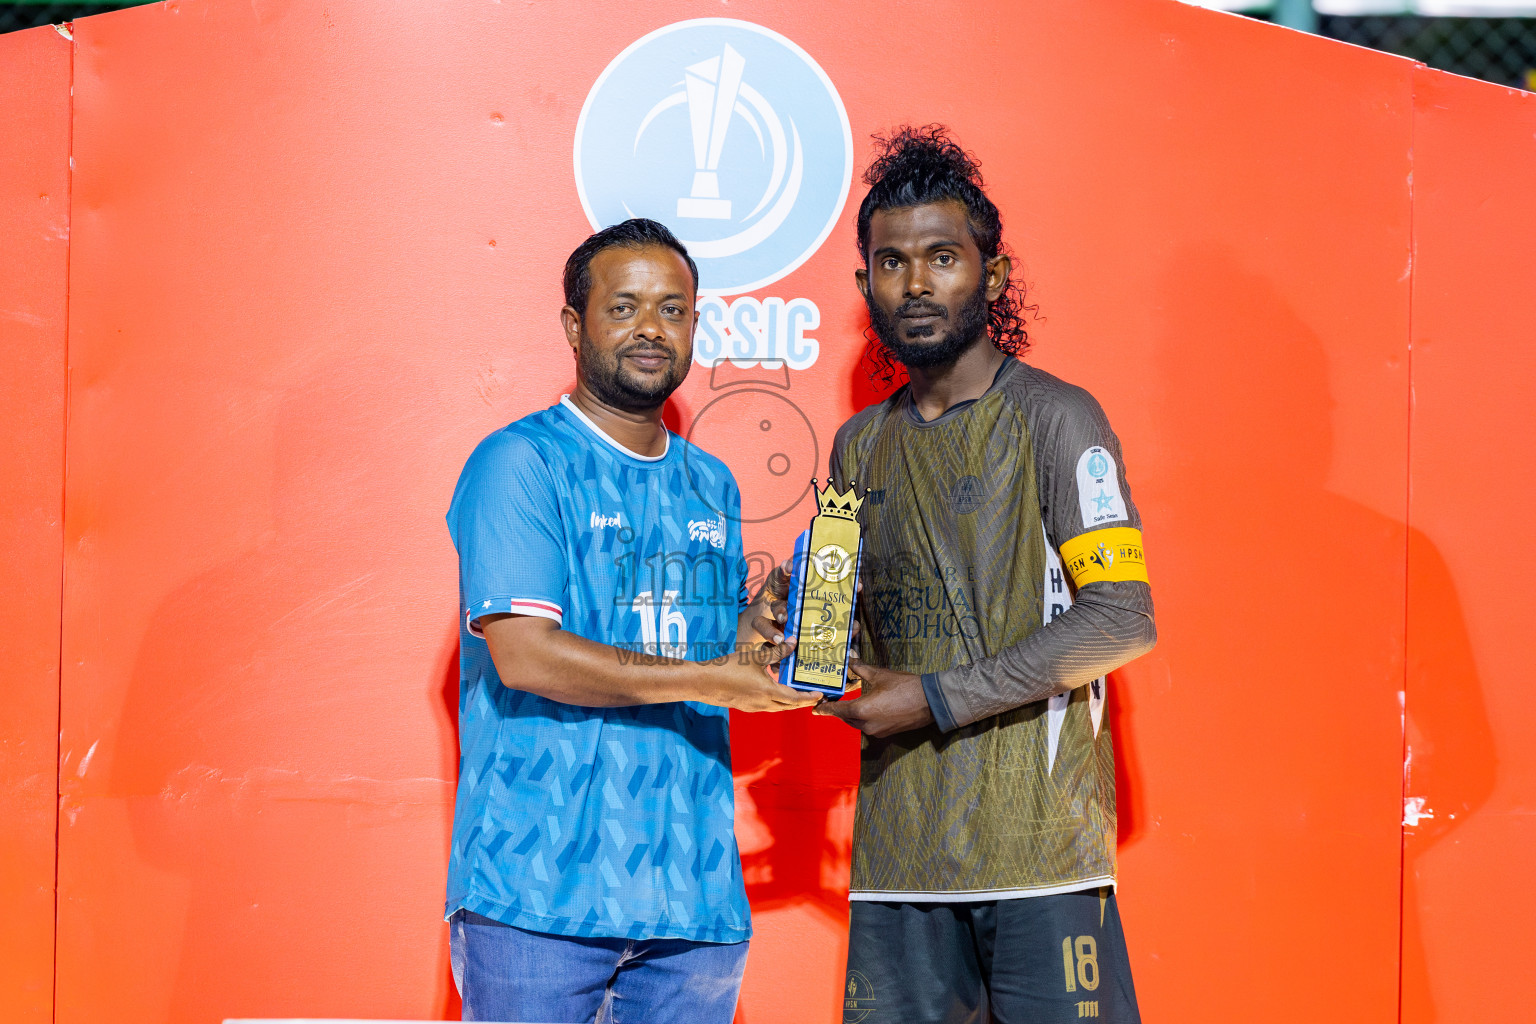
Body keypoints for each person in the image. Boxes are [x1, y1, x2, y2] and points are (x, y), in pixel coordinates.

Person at [779, 126, 1158, 1022]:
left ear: (991, 275)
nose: (915, 284)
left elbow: (1121, 620)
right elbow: (830, 636)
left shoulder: (1061, 419)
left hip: (1041, 858)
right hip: (896, 866)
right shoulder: (855, 446)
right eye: (891, 262)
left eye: (943, 257)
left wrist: (933, 697)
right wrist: (795, 622)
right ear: (864, 282)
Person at [445, 217, 817, 1023]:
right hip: (538, 897)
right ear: (575, 326)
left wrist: (771, 616)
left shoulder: (710, 482)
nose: (652, 328)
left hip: (695, 906)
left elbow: (711, 656)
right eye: (624, 308)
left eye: (673, 309)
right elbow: (527, 656)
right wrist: (718, 675)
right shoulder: (521, 463)